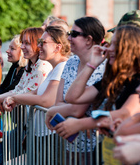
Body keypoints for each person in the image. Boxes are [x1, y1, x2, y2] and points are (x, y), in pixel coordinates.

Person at [47, 26, 140, 144]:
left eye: (115, 45)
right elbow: (73, 97)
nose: (109, 49)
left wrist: (80, 124)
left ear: (131, 48)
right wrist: (91, 65)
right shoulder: (112, 79)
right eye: (110, 44)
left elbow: (125, 113)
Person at [42, 16, 106, 163]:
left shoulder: (102, 67)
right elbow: (59, 102)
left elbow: (78, 110)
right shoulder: (71, 62)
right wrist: (65, 109)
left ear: (89, 40)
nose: (69, 38)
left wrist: (52, 112)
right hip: (71, 141)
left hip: (96, 146)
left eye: (74, 34)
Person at [0, 27, 52, 165]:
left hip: (42, 131)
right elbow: (18, 89)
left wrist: (6, 99)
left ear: (38, 45)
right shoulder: (31, 66)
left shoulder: (42, 66)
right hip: (30, 127)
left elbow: (27, 94)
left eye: (27, 43)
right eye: (22, 43)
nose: (22, 47)